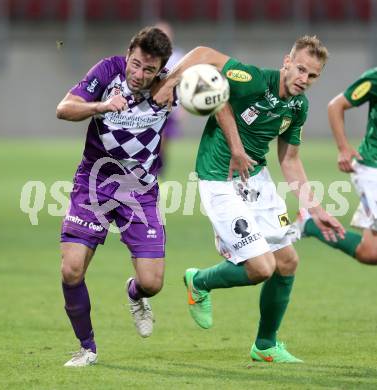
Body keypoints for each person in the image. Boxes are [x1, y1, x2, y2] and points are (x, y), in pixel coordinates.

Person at [153, 36, 345, 363]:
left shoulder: (298, 106)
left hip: (256, 178)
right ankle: (198, 282)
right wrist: (171, 81)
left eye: (312, 76)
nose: (304, 79)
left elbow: (290, 160)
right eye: (300, 69)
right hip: (219, 179)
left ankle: (265, 346)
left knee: (287, 263)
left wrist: (315, 209)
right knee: (261, 268)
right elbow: (203, 55)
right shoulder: (253, 79)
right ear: (287, 61)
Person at [56, 27, 173, 367]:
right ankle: (87, 347)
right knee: (72, 269)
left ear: (161, 69)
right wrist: (102, 106)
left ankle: (135, 294)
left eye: (148, 70)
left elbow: (204, 63)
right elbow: (64, 109)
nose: (139, 75)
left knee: (153, 283)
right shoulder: (108, 71)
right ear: (128, 55)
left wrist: (180, 84)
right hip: (95, 181)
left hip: (140, 190)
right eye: (135, 65)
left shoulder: (170, 87)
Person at [290, 68, 377, 264]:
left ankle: (309, 223)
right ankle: (310, 223)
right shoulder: (375, 79)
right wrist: (343, 148)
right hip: (373, 168)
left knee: (370, 253)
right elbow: (336, 105)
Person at [154, 21, 186, 175]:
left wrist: (182, 107)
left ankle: (159, 170)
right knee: (153, 138)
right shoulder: (148, 55)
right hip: (151, 105)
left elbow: (183, 83)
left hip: (170, 106)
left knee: (163, 140)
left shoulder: (178, 56)